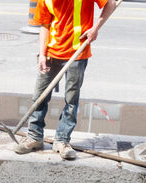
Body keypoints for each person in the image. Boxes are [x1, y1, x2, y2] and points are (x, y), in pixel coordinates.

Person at [14, 0, 116, 159]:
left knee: (71, 100)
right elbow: (45, 25)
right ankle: (34, 138)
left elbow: (111, 3)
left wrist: (95, 28)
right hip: (51, 53)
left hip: (77, 53)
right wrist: (42, 54)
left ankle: (62, 141)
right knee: (39, 97)